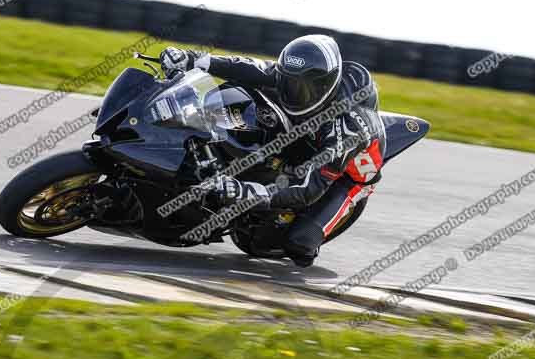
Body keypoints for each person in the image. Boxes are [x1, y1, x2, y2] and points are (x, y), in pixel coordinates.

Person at [159, 35, 386, 267]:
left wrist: (246, 191)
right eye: (289, 83)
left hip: (348, 175)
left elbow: (308, 189)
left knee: (300, 245)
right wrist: (192, 59)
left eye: (303, 89)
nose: (293, 93)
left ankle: (309, 230)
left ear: (325, 87)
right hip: (310, 135)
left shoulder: (347, 127)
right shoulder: (289, 79)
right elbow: (248, 67)